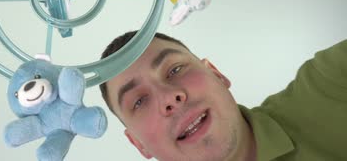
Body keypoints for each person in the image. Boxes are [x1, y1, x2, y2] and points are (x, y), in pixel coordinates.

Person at [99, 31, 347, 160]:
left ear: (217, 74)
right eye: (139, 101)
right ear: (138, 144)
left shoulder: (330, 81)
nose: (168, 98)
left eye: (174, 69)